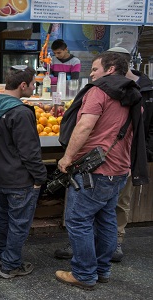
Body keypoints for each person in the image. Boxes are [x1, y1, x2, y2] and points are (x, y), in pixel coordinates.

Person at [55, 51, 147, 290]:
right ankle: (102, 270)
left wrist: (67, 157)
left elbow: (85, 126)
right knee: (106, 219)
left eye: (95, 69)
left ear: (110, 69)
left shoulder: (99, 92)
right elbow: (135, 135)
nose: (91, 73)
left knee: (78, 220)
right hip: (119, 169)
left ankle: (84, 274)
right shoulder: (134, 96)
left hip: (94, 170)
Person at [0, 65, 47, 279]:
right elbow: (30, 152)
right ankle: (10, 265)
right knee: (19, 223)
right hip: (20, 177)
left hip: (0, 174)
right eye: (33, 84)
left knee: (3, 217)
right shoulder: (21, 113)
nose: (34, 88)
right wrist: (39, 177)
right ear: (23, 85)